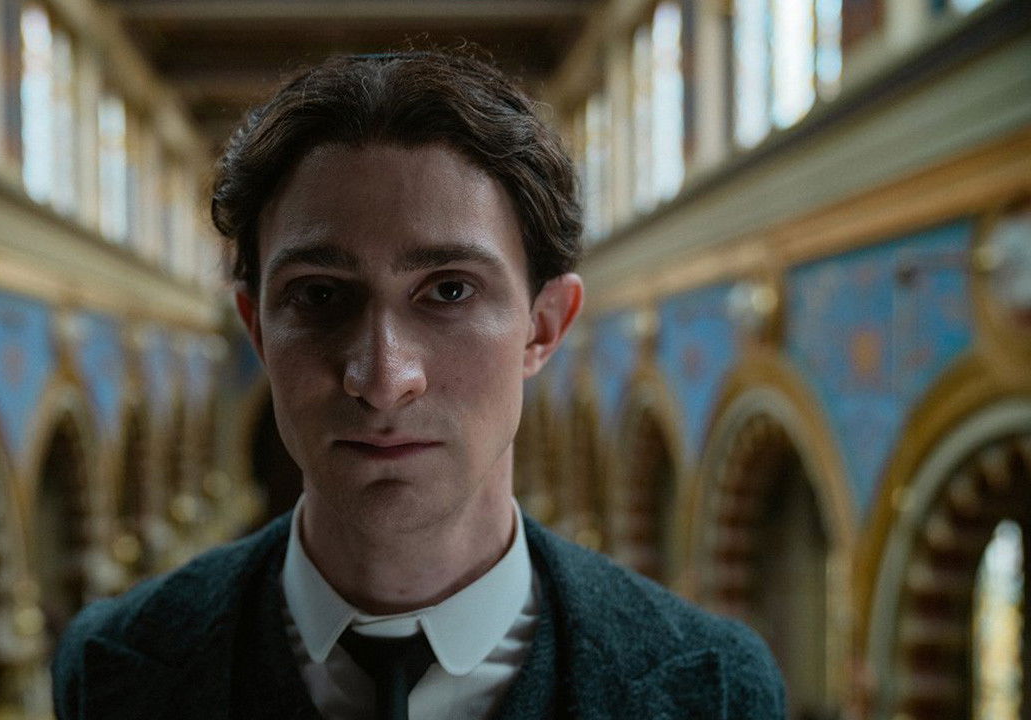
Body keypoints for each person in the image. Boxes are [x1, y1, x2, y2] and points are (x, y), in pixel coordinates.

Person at [52, 50, 786, 720]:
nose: (381, 378)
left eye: (449, 291)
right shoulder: (111, 671)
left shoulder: (715, 691)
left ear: (543, 327)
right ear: (257, 330)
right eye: (319, 295)